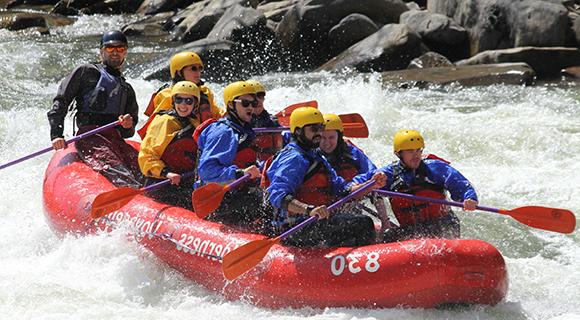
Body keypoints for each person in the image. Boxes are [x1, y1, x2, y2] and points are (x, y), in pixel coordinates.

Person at [263, 107, 386, 247]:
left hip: (313, 220)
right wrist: (308, 209)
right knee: (362, 223)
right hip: (295, 228)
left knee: (356, 219)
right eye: (314, 129)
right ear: (298, 131)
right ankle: (364, 264)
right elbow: (277, 196)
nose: (319, 133)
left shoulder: (315, 154)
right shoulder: (294, 158)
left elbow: (341, 187)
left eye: (320, 127)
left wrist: (370, 185)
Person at [47, 30, 142, 188]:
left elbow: (128, 132)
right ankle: (131, 197)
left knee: (143, 169)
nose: (115, 53)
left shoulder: (127, 89)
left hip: (114, 139)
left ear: (125, 52)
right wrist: (56, 134)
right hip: (90, 137)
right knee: (119, 173)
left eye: (120, 49)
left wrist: (127, 124)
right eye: (110, 48)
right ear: (101, 51)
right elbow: (61, 101)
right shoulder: (86, 72)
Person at [353, 129, 478, 242]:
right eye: (410, 151)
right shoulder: (389, 174)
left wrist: (469, 198)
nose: (416, 155)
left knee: (438, 227)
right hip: (411, 230)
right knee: (388, 236)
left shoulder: (436, 168)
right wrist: (364, 186)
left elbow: (461, 185)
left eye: (418, 150)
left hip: (442, 225)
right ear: (399, 153)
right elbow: (356, 184)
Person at [194, 81, 265, 231]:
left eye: (253, 103)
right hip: (221, 200)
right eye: (245, 103)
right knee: (265, 205)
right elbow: (206, 171)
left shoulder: (243, 129)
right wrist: (239, 172)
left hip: (241, 192)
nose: (251, 107)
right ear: (231, 105)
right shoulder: (223, 132)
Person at [138, 81, 201, 209]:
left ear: (195, 104)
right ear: (173, 101)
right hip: (160, 182)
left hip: (183, 180)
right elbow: (147, 155)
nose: (183, 105)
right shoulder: (164, 122)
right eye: (179, 100)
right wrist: (166, 173)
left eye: (188, 101)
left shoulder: (194, 122)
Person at [137, 51, 222, 139]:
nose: (198, 72)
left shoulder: (205, 92)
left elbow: (216, 114)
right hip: (174, 139)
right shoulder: (167, 95)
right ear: (179, 72)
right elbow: (157, 125)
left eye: (200, 68)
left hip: (202, 137)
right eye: (193, 68)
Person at [246, 79, 283, 164]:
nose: (258, 100)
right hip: (250, 168)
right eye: (253, 97)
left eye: (260, 96)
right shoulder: (239, 124)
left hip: (272, 163)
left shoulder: (273, 121)